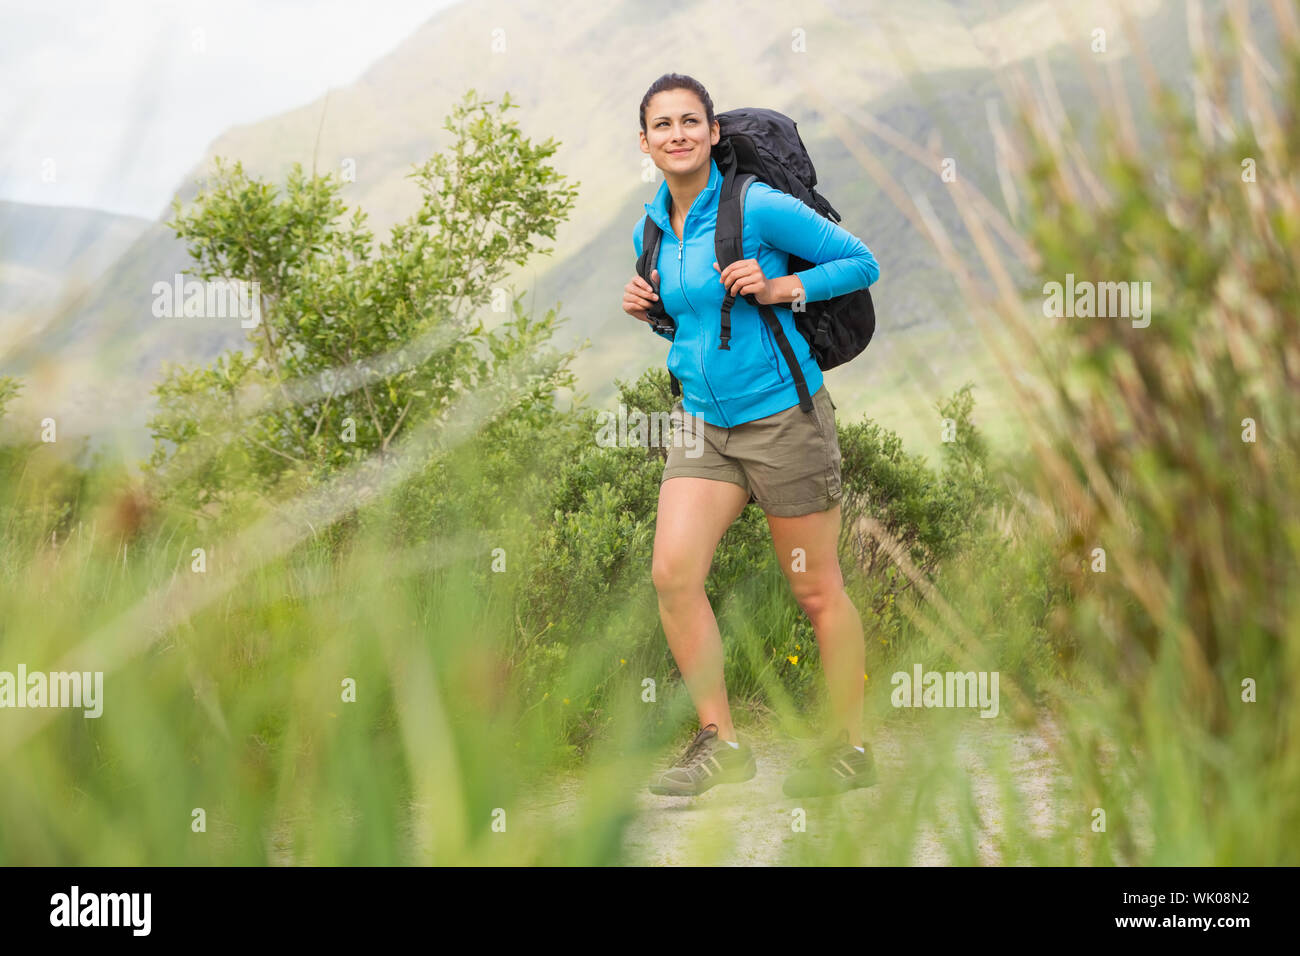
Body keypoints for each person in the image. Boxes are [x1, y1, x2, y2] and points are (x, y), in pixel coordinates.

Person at [622, 73, 882, 798]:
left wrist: (780, 288)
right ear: (644, 142)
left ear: (713, 133)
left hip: (782, 418)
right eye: (662, 125)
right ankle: (722, 743)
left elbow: (861, 261)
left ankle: (851, 748)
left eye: (690, 121)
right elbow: (699, 324)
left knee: (816, 590)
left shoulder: (757, 206)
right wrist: (649, 310)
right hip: (703, 424)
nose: (677, 134)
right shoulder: (651, 231)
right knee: (673, 576)